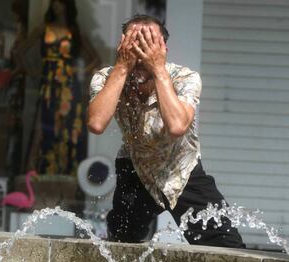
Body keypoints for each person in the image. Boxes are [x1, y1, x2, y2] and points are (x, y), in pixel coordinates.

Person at [87, 14, 244, 248]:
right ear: (122, 46)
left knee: (228, 246)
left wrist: (158, 69)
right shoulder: (107, 77)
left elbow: (177, 126)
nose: (141, 55)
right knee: (120, 246)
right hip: (136, 169)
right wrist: (121, 67)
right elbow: (96, 123)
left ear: (163, 49)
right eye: (135, 44)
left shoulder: (185, 78)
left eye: (148, 45)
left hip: (181, 169)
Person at [25, 0, 100, 175]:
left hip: (69, 85)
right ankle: (39, 167)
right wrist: (33, 73)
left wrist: (79, 73)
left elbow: (95, 59)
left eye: (61, 3)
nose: (58, 7)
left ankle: (66, 170)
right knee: (44, 121)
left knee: (69, 124)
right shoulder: (44, 28)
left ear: (68, 6)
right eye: (55, 3)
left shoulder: (74, 31)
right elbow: (20, 52)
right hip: (49, 83)